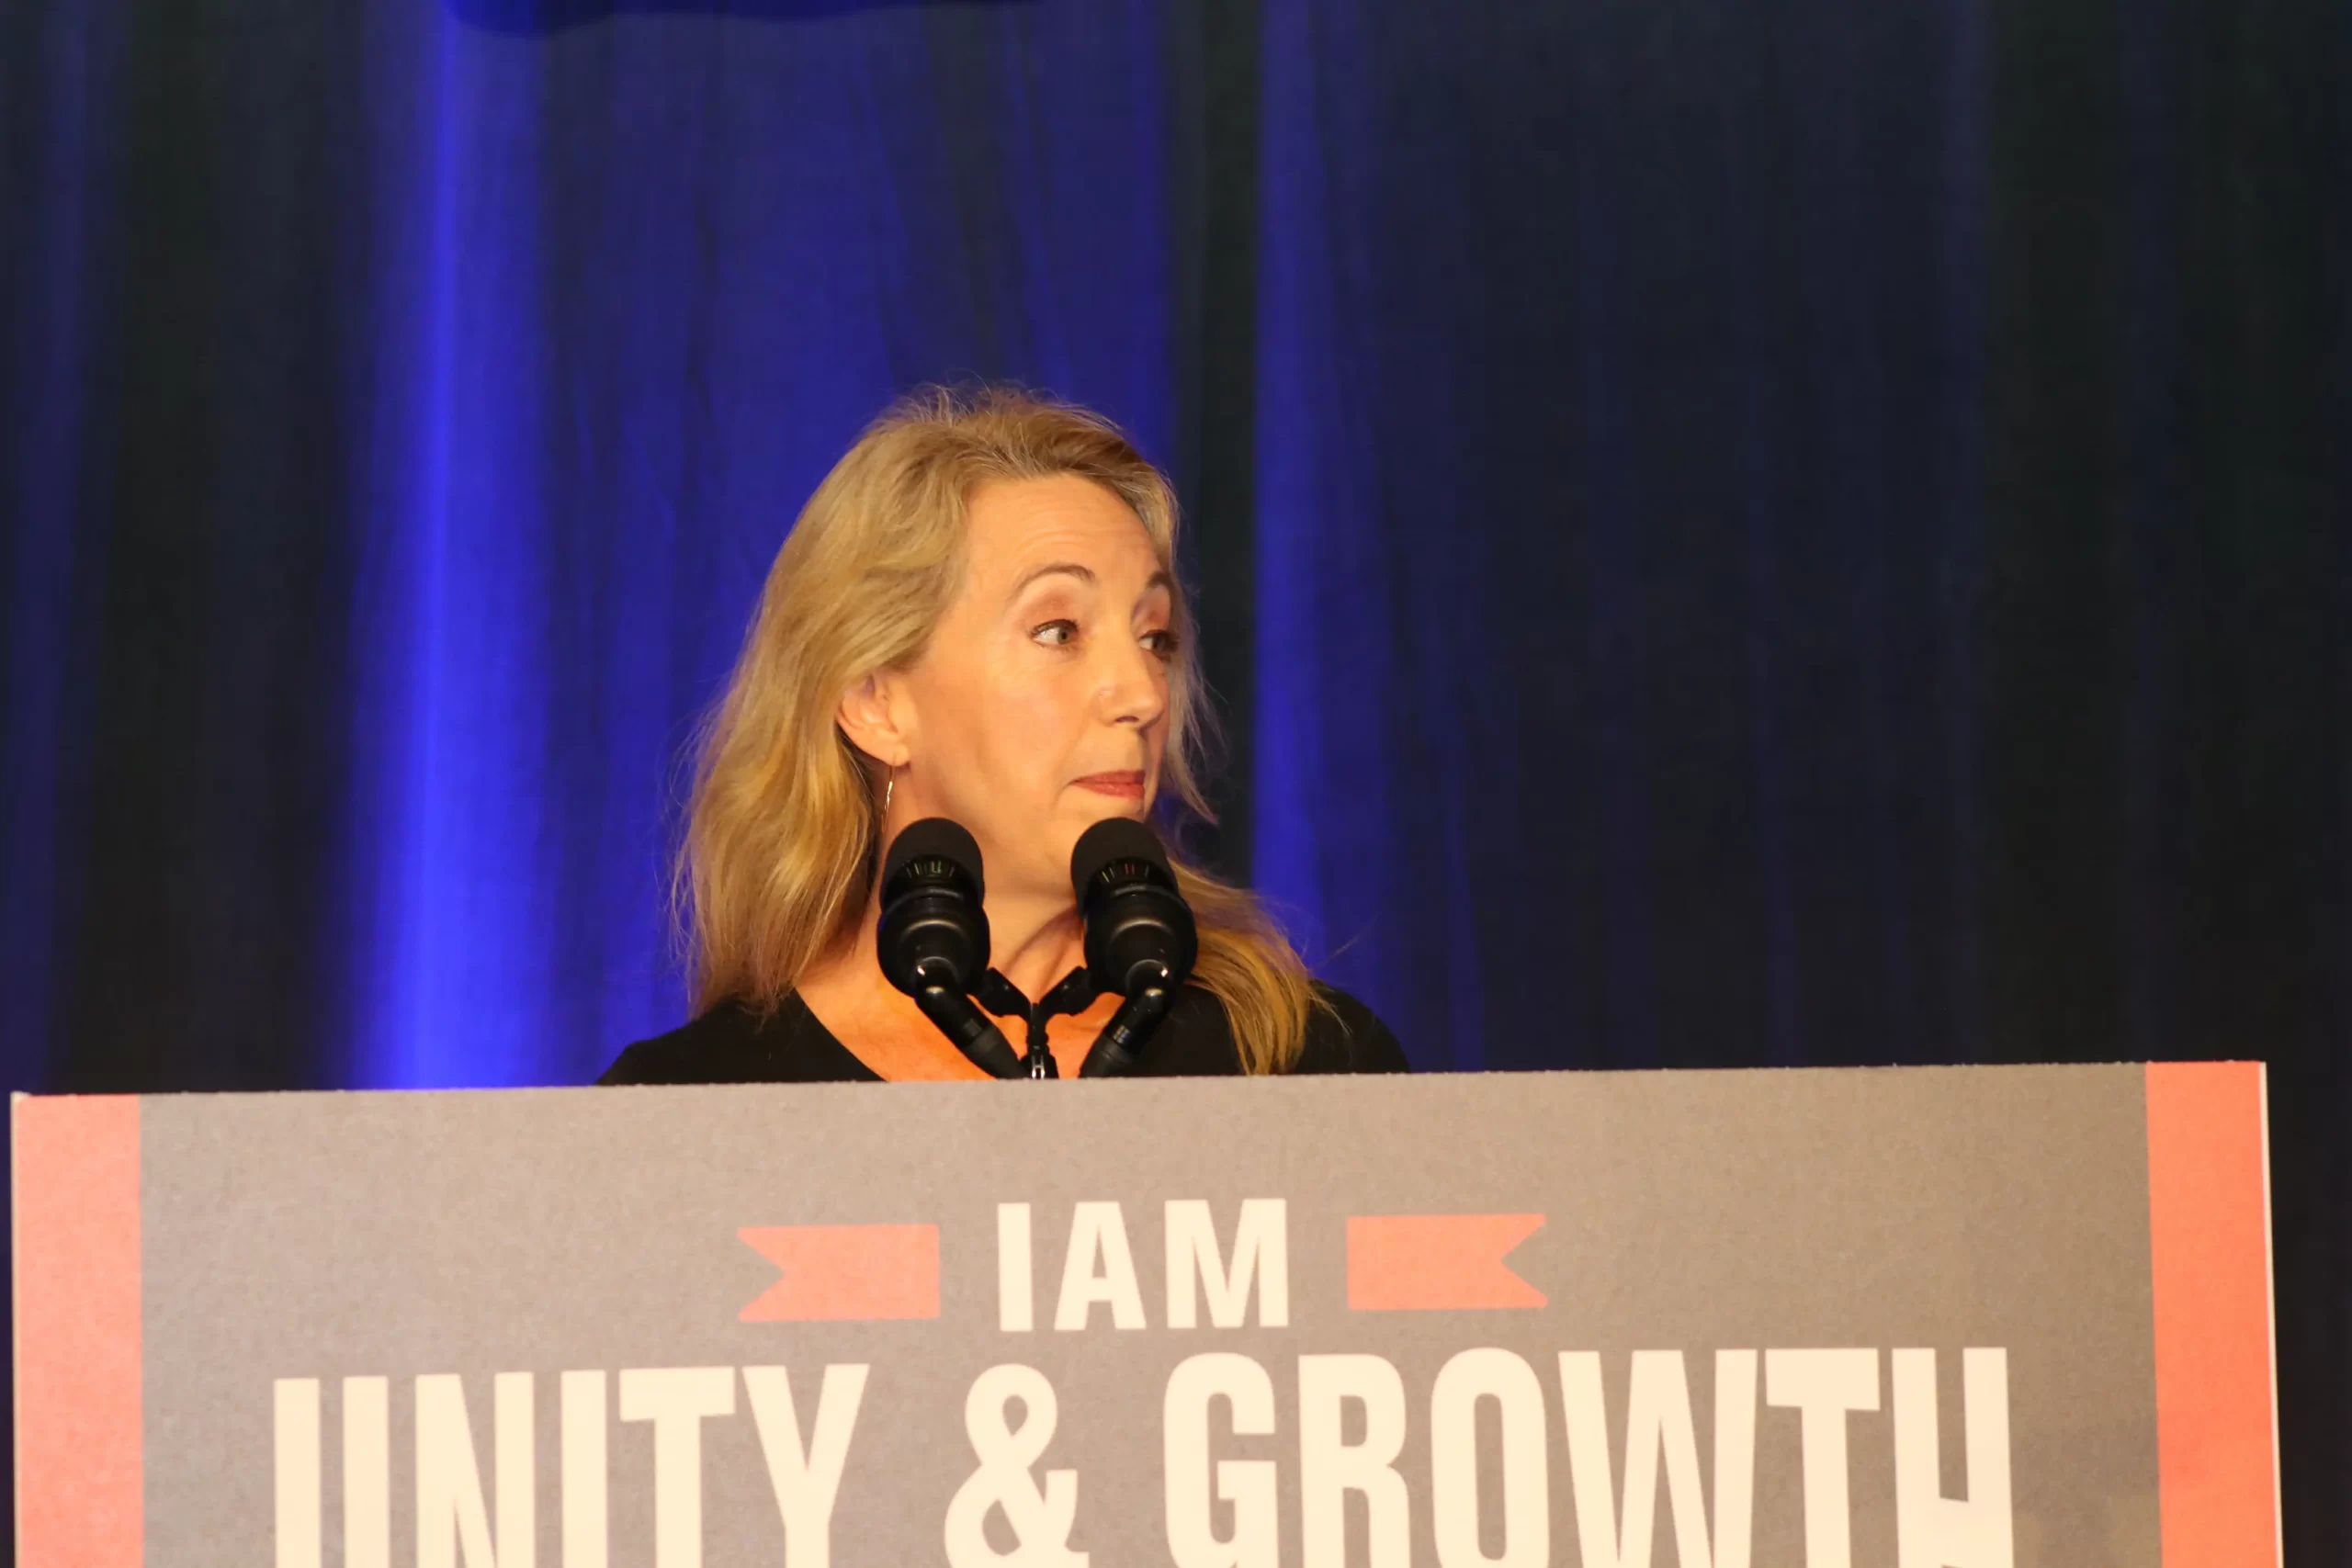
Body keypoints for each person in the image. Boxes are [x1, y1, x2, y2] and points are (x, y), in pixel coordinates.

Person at [600, 387, 1406, 1085]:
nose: (1141, 694)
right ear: (876, 702)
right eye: (1059, 630)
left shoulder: (1306, 1067)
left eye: (1155, 637)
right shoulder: (692, 1107)